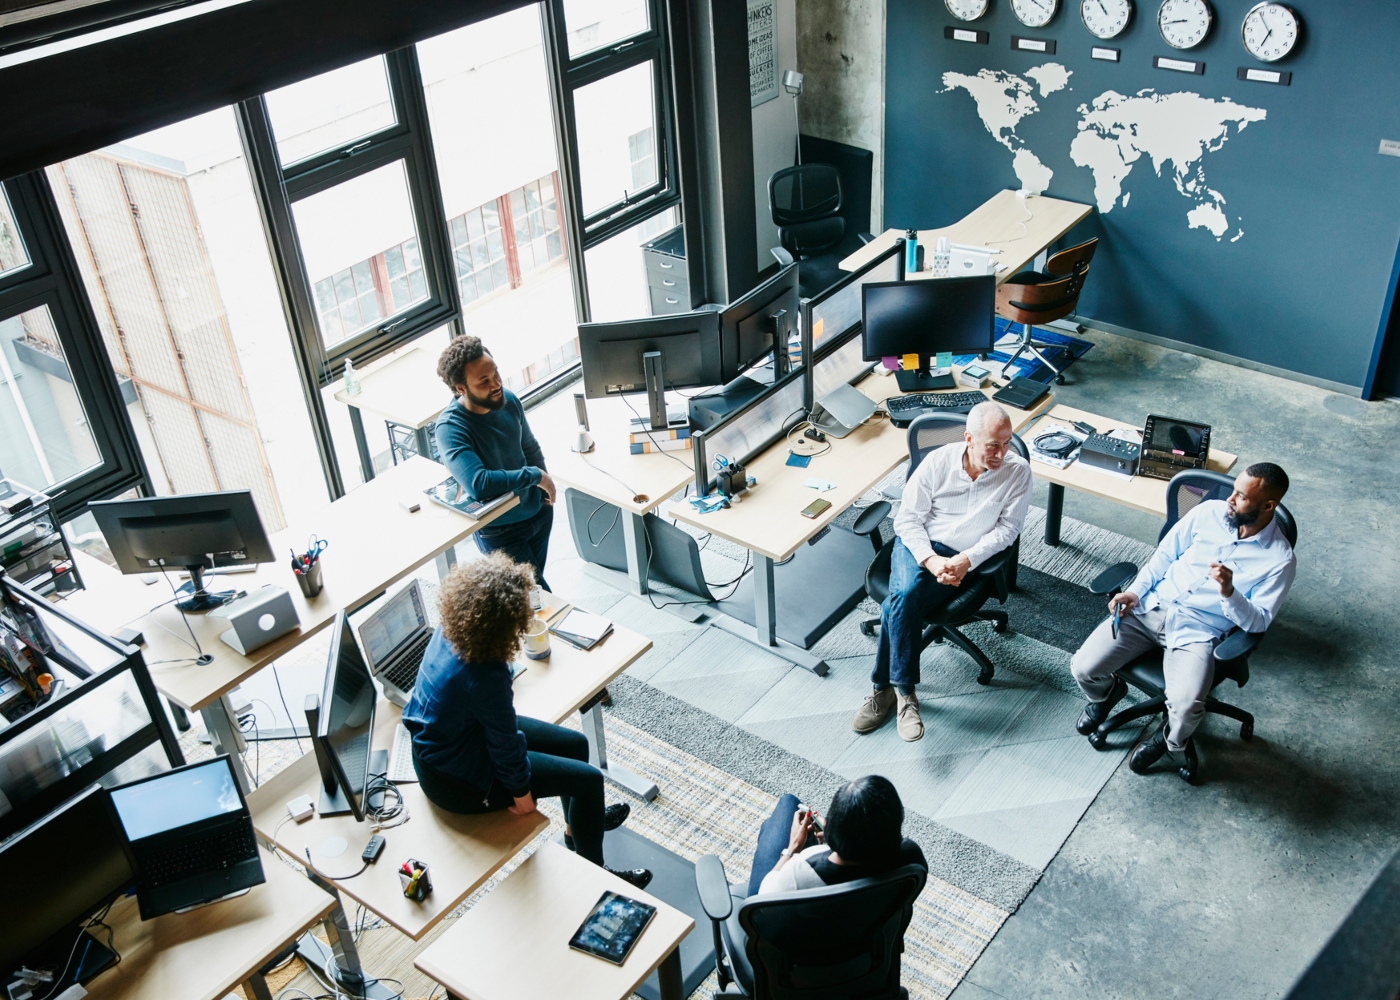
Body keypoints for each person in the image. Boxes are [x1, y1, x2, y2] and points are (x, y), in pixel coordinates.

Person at [402, 552, 652, 889]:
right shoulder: (486, 674)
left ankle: (575, 829)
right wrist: (522, 797)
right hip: (456, 780)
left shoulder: (452, 627)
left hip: (453, 739)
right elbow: (505, 746)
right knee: (589, 781)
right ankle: (595, 873)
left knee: (576, 744)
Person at [1071, 463, 1296, 774]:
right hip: (1151, 607)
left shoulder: (1279, 560)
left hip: (1198, 631)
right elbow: (1164, 555)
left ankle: (1169, 742)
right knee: (1083, 668)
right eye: (1233, 490)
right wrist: (1135, 593)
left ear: (1269, 505)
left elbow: (1258, 622)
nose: (1229, 499)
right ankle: (1108, 694)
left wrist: (1229, 592)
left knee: (1187, 707)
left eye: (1241, 497)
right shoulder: (1209, 513)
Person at [852, 401, 1031, 742]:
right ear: (969, 439)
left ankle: (882, 691)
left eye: (1007, 443)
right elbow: (907, 518)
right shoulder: (938, 461)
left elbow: (1008, 530)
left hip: (966, 557)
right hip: (919, 546)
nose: (1002, 453)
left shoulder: (1017, 470)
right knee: (903, 596)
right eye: (993, 445)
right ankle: (905, 694)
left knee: (895, 604)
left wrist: (966, 560)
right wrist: (931, 561)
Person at [435, 335, 556, 590]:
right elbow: (479, 483)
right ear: (461, 388)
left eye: (496, 373)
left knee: (529, 600)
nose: (497, 384)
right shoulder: (450, 428)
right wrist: (535, 476)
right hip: (501, 530)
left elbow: (529, 447)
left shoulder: (508, 400)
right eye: (484, 381)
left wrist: (544, 486)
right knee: (539, 598)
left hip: (537, 511)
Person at [746, 776, 926, 897]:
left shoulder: (798, 873)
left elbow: (761, 901)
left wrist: (792, 849)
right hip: (862, 944)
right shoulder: (912, 860)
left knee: (788, 803)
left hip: (790, 948)